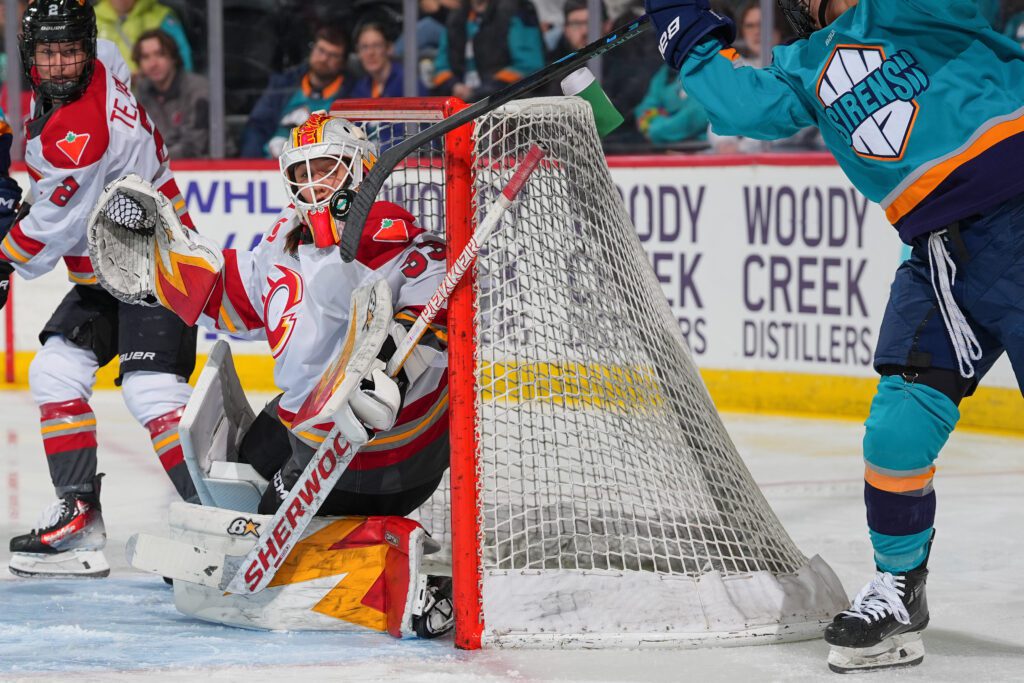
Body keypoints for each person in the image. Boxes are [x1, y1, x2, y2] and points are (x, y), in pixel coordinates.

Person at [645, 0, 1024, 672]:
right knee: (896, 431)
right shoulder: (802, 65)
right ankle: (899, 589)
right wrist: (679, 18)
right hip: (937, 254)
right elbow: (741, 107)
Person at [2, 0, 199, 579]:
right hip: (112, 273)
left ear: (85, 49)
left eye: (70, 52)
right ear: (30, 56)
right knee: (54, 372)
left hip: (158, 267)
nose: (61, 65)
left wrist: (3, 255)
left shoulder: (79, 131)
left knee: (151, 392)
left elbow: (52, 231)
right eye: (49, 53)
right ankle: (80, 520)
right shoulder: (105, 60)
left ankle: (225, 520)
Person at [240, 25, 351, 159]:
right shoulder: (284, 83)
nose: (324, 59)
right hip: (270, 165)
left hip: (319, 168)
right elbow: (258, 126)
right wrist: (252, 165)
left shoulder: (350, 94)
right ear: (312, 49)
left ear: (343, 62)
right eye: (321, 50)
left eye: (333, 55)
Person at [431, 0, 545, 101]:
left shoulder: (517, 9)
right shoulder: (456, 16)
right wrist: (454, 86)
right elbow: (441, 66)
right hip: (461, 101)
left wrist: (480, 92)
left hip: (505, 101)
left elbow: (529, 64)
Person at [132, 29, 209, 158]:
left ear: (173, 58)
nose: (153, 64)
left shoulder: (198, 89)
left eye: (160, 54)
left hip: (210, 166)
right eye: (145, 57)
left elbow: (195, 145)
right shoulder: (141, 94)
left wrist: (151, 159)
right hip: (161, 165)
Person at [94, 0, 193, 74]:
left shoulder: (161, 16)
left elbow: (183, 58)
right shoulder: (91, 17)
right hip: (107, 91)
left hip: (155, 90)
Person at [633, 66, 709, 145]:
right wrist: (650, 126)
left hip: (703, 145)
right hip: (665, 145)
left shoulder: (708, 68)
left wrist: (656, 131)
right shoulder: (666, 72)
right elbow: (647, 106)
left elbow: (698, 114)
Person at [349, 22, 422, 99]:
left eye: (376, 45)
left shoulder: (408, 83)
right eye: (364, 47)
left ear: (389, 48)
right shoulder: (360, 89)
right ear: (358, 52)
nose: (370, 52)